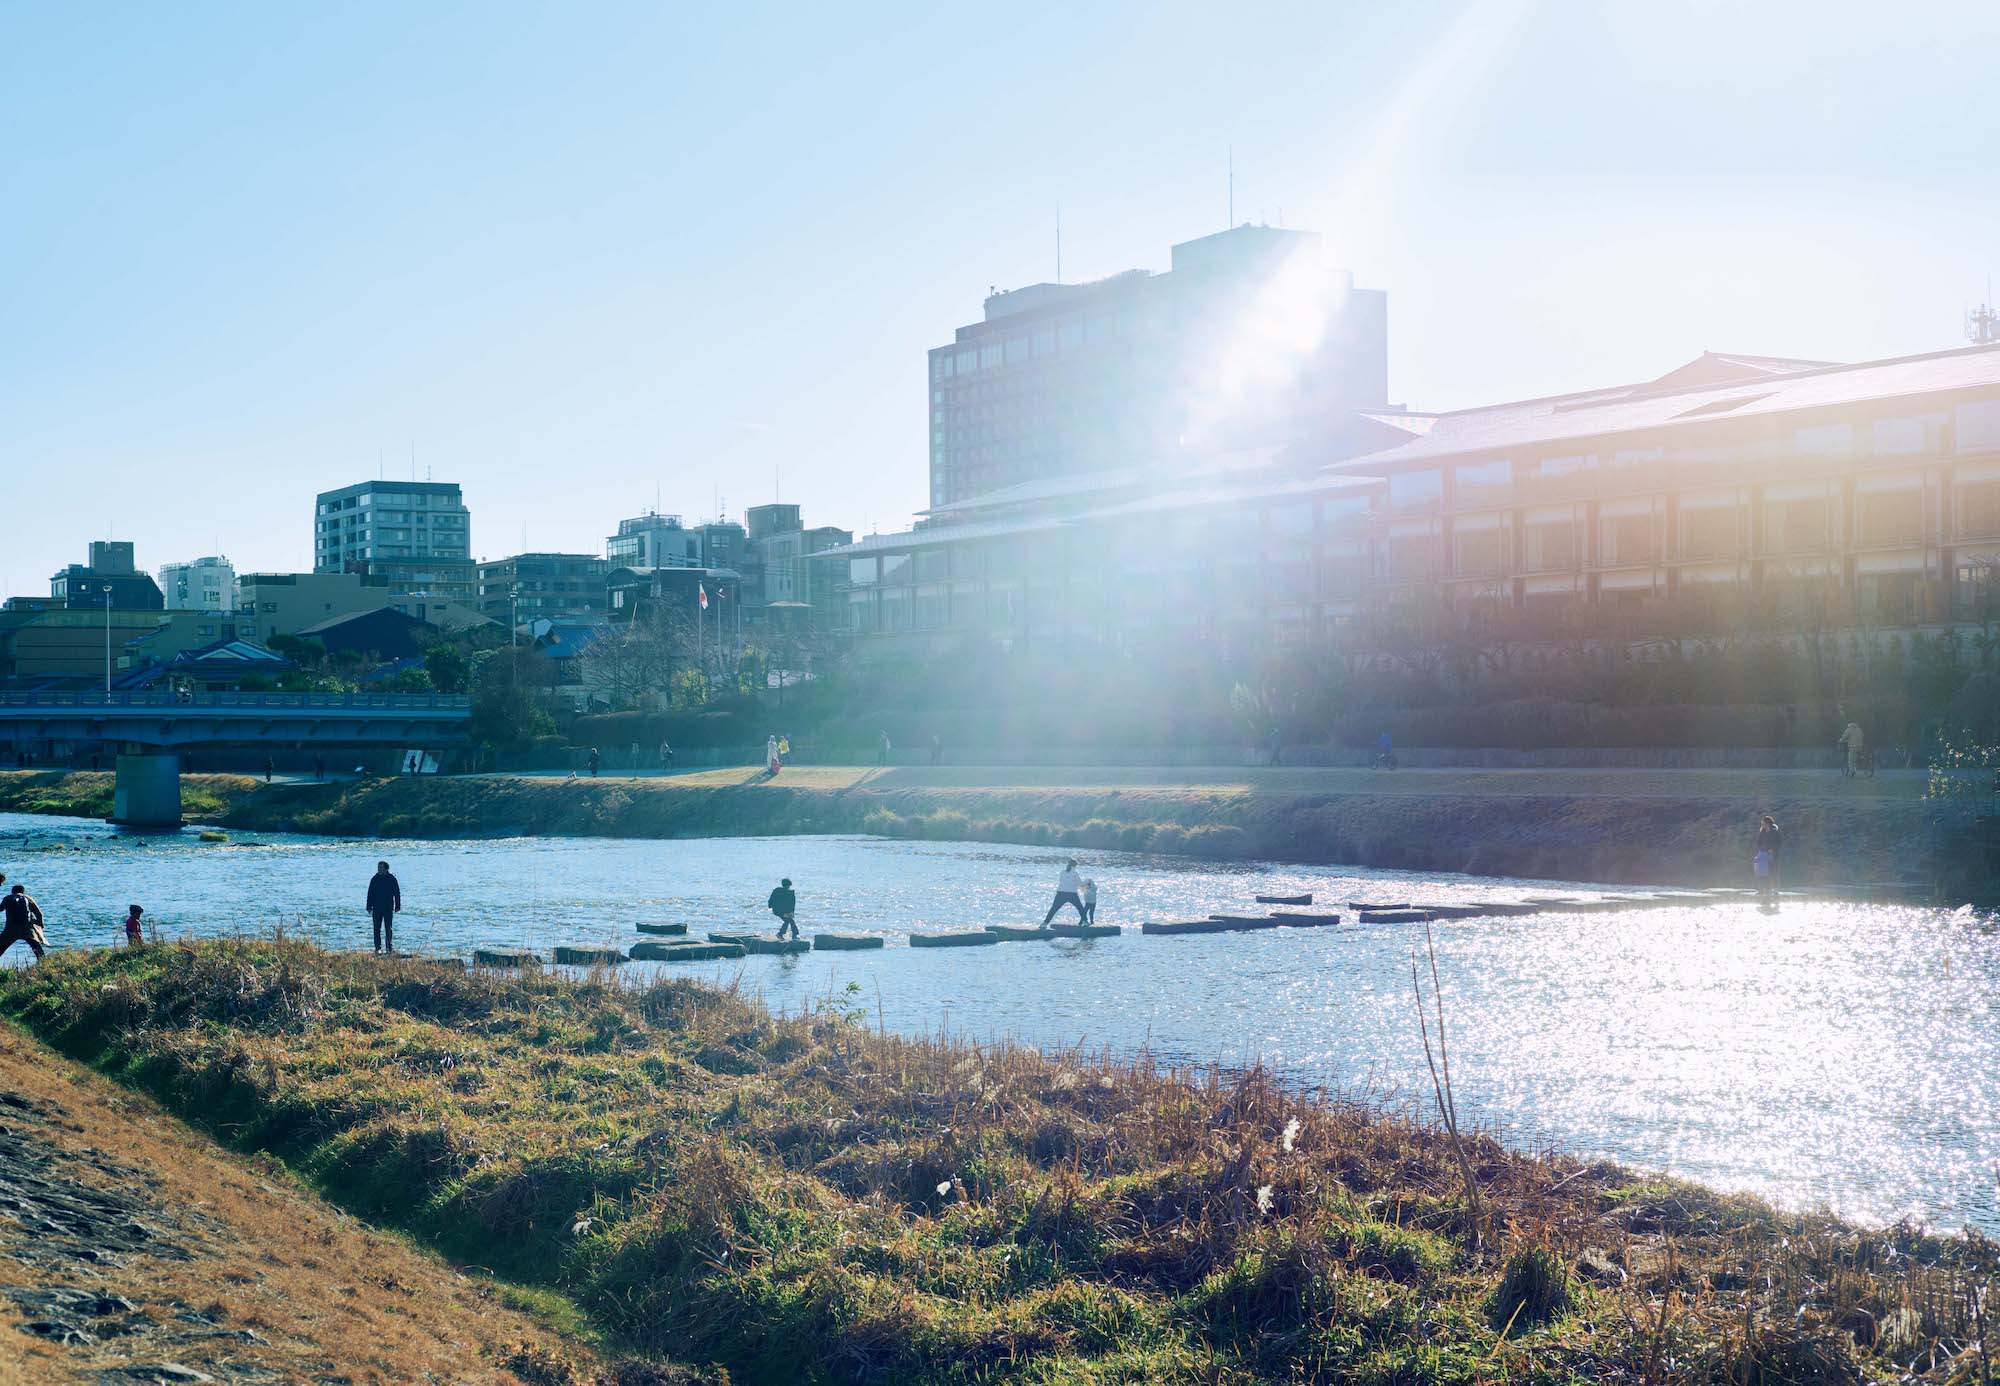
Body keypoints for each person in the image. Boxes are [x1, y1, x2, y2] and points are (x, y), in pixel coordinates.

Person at [0, 883, 46, 964]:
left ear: (12, 891)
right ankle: (43, 963)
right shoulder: (28, 899)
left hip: (11, 927)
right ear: (23, 891)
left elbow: (0, 909)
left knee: (1, 946)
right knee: (36, 947)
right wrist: (40, 924)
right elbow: (39, 913)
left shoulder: (8, 898)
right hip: (27, 927)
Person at [366, 860, 402, 955]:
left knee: (388, 928)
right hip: (376, 907)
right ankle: (377, 948)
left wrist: (398, 906)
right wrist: (369, 906)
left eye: (381, 868)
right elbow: (370, 893)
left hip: (388, 907)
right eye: (378, 868)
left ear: (386, 869)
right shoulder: (375, 879)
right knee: (376, 928)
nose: (379, 870)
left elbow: (397, 893)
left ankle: (389, 948)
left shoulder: (391, 879)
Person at [1041, 860, 1088, 926]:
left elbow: (1062, 880)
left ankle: (1044, 923)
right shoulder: (1075, 874)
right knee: (1080, 908)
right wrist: (1086, 886)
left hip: (1061, 893)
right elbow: (1079, 883)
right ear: (1075, 866)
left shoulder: (1062, 872)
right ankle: (1086, 922)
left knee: (1054, 909)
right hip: (1072, 894)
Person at [1754, 815, 1782, 901]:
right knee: (1763, 872)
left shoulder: (1775, 832)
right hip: (1763, 855)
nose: (1762, 824)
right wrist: (1761, 849)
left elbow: (1779, 843)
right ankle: (1765, 889)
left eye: (1763, 823)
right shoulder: (1762, 832)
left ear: (1768, 823)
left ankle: (1775, 889)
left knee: (1773, 871)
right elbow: (1758, 842)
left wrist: (1773, 849)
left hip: (1773, 855)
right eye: (1762, 823)